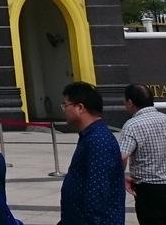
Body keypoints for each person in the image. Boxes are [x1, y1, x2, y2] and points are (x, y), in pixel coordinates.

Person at [118, 83, 166, 225]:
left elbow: (122, 156)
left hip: (149, 192)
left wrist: (121, 177)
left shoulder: (132, 125)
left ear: (130, 102)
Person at [59, 81, 124, 225]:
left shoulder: (98, 140)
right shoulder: (89, 136)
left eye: (65, 105)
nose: (63, 110)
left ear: (80, 108)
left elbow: (97, 190)